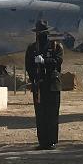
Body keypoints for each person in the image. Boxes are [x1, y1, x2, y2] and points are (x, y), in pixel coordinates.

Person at [25, 20, 63, 150]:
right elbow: (28, 66)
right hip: (39, 84)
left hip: (52, 84)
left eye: (42, 32)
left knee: (52, 114)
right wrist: (34, 79)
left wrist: (44, 61)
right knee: (40, 115)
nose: (40, 35)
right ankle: (42, 141)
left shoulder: (56, 46)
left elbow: (58, 61)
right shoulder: (32, 48)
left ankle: (51, 141)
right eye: (38, 32)